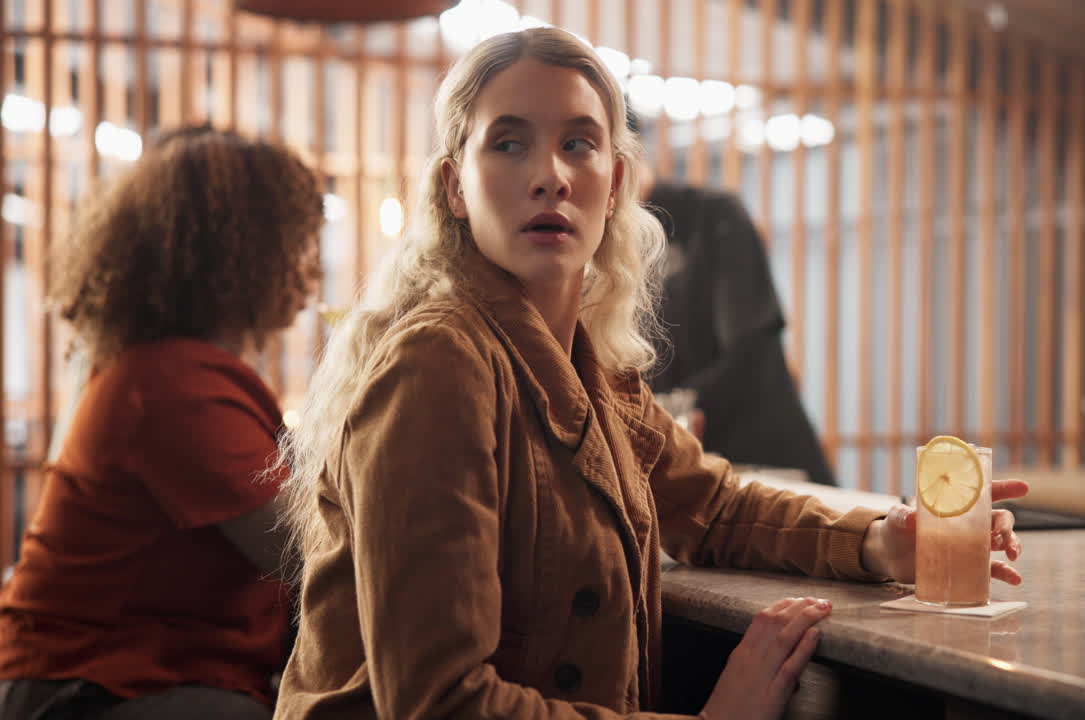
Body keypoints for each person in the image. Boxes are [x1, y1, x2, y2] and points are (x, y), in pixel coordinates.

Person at [273, 27, 1026, 720]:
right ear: (453, 189)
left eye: (578, 143)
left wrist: (876, 543)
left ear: (618, 182)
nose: (550, 177)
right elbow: (440, 703)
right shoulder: (437, 362)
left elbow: (716, 507)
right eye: (508, 144)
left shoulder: (588, 365)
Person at [0, 126, 324, 719]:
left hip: (136, 674)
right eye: (293, 249)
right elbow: (311, 553)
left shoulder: (167, 371)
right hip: (85, 687)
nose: (309, 275)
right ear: (236, 259)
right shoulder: (175, 387)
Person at [635, 148, 836, 486]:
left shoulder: (714, 214)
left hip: (760, 447)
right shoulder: (605, 240)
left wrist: (656, 413)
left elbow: (751, 349)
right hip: (683, 462)